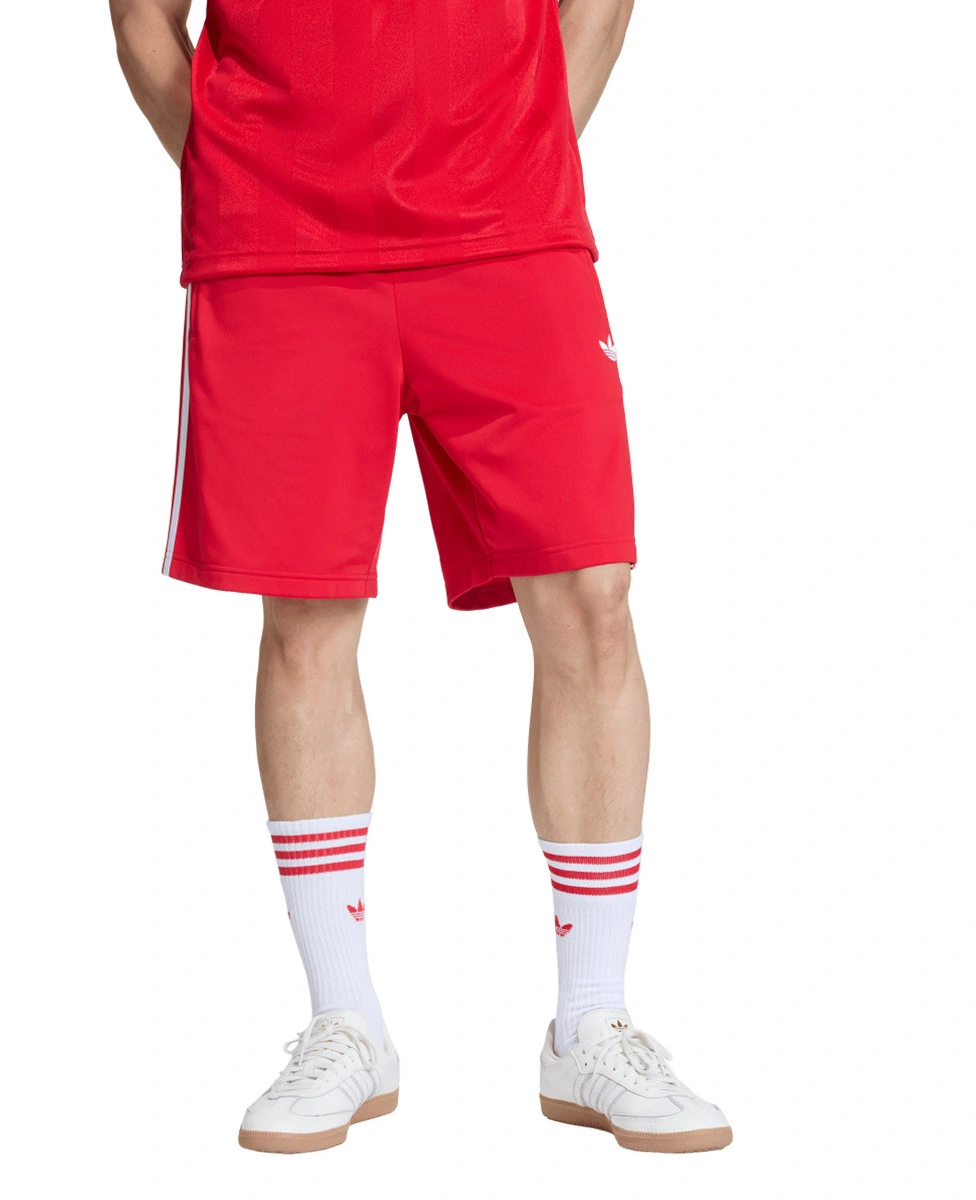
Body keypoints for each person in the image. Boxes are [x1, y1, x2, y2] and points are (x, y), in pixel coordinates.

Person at [111, 0, 731, 1155]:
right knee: (304, 613)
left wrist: (517, 148)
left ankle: (591, 1021)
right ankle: (344, 1022)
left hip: (509, 228)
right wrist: (240, 172)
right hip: (283, 245)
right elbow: (143, 13)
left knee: (592, 597)